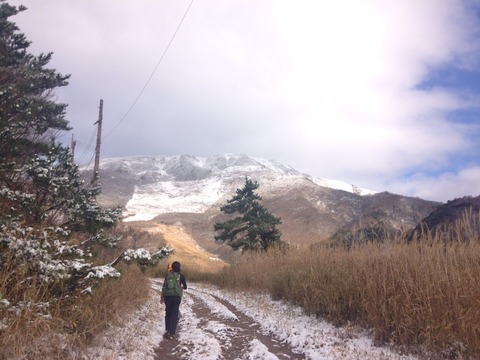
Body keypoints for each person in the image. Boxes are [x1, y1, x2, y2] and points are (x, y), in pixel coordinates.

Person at [161, 261, 187, 339]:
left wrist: (162, 297)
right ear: (179, 267)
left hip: (167, 297)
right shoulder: (181, 276)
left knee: (168, 313)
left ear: (171, 267)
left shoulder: (168, 275)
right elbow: (185, 287)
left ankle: (167, 330)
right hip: (176, 297)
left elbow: (164, 287)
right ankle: (172, 333)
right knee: (174, 314)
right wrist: (182, 286)